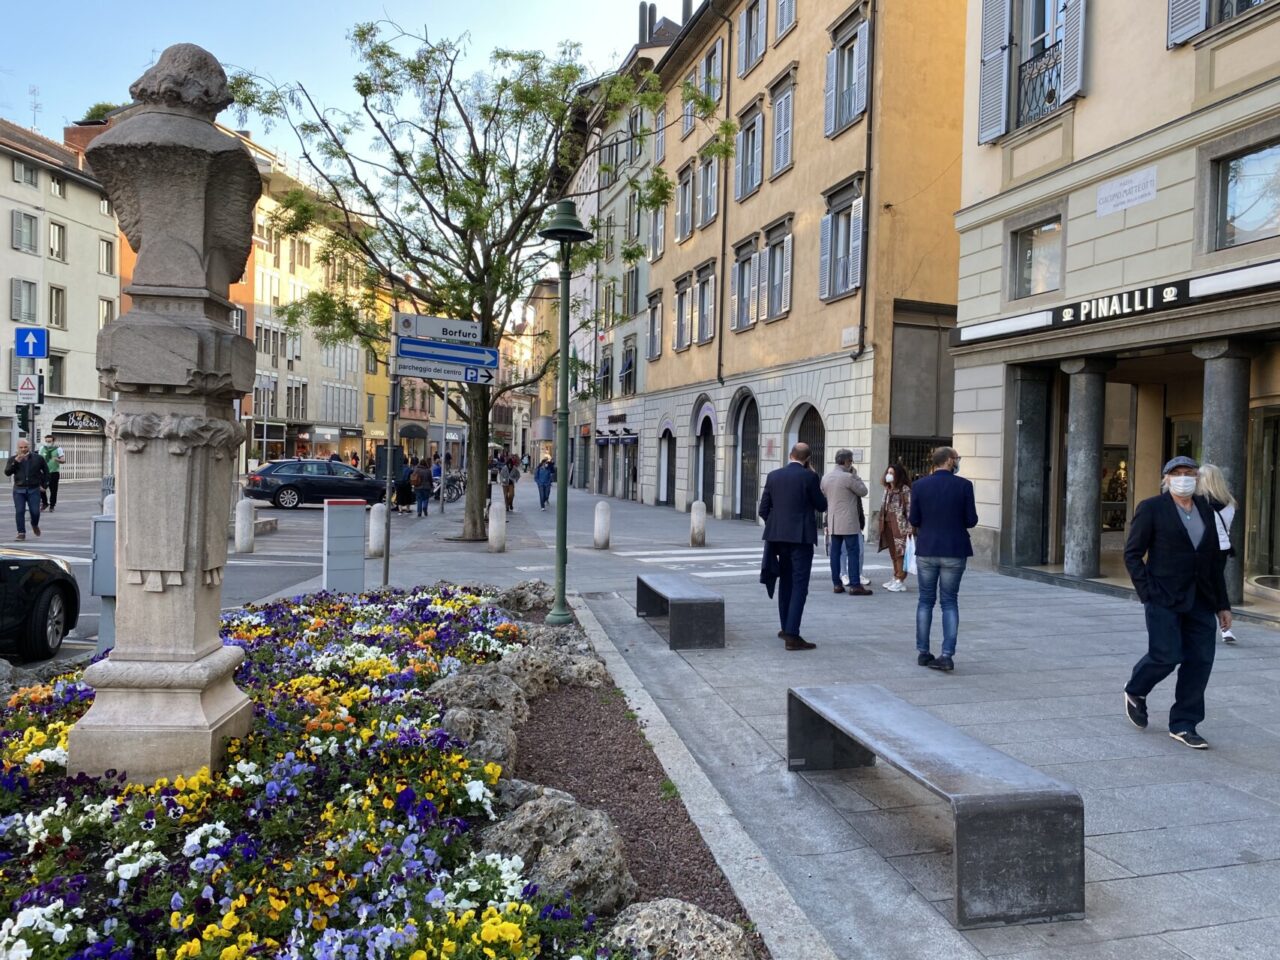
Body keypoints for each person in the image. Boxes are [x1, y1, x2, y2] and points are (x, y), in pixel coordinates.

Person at [1124, 456, 1232, 749]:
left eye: (1189, 473)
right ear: (1166, 478)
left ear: (1197, 478)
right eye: (1177, 473)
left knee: (1199, 661)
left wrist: (1223, 605)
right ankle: (1136, 689)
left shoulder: (1207, 510)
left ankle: (1185, 723)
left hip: (1201, 598)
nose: (1184, 478)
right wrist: (1148, 592)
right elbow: (1133, 554)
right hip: (1164, 596)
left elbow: (1213, 562)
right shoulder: (1152, 509)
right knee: (1166, 655)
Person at [908, 446, 978, 672]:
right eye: (957, 458)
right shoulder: (964, 485)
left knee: (925, 601)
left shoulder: (919, 485)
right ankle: (947, 654)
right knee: (949, 602)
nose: (958, 461)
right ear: (949, 461)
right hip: (954, 549)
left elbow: (914, 518)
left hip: (927, 548)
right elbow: (971, 520)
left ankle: (923, 652)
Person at [759, 442, 828, 651]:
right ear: (807, 459)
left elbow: (763, 509)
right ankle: (792, 634)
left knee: (786, 582)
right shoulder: (809, 477)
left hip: (778, 538)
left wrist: (778, 525)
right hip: (801, 538)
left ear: (790, 455)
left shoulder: (773, 476)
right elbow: (822, 505)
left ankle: (785, 627)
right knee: (800, 585)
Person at [1197, 463, 1238, 644]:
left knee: (1206, 585)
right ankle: (1225, 628)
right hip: (1222, 549)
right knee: (1218, 582)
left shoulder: (1200, 503)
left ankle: (1213, 622)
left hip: (1205, 549)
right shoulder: (1230, 503)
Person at [821, 450, 871, 596]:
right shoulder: (848, 477)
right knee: (853, 552)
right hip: (848, 521)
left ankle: (836, 584)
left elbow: (824, 493)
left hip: (833, 521)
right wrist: (855, 475)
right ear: (847, 462)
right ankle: (855, 585)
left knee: (835, 553)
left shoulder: (826, 477)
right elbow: (863, 491)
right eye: (851, 461)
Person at [878, 462, 913, 592]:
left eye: (892, 473)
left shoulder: (905, 490)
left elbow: (910, 510)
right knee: (893, 553)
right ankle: (896, 575)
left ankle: (900, 579)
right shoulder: (888, 489)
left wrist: (910, 529)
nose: (889, 475)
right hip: (887, 524)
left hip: (900, 526)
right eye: (888, 472)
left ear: (898, 475)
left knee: (900, 553)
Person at [5, 439, 49, 541]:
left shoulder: (38, 458)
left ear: (29, 447)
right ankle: (21, 533)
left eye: (25, 447)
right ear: (18, 448)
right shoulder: (13, 459)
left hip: (34, 489)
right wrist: (15, 462)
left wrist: (45, 486)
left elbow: (47, 473)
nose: (23, 449)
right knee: (19, 511)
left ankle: (34, 524)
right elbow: (7, 473)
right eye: (21, 447)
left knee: (35, 512)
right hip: (19, 490)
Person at [38, 434, 66, 512]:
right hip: (43, 473)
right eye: (46, 441)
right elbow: (39, 459)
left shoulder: (58, 449)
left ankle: (52, 505)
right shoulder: (42, 448)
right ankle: (44, 503)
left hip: (54, 472)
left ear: (53, 441)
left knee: (53, 490)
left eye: (49, 441)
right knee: (41, 489)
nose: (48, 443)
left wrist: (57, 459)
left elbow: (63, 460)